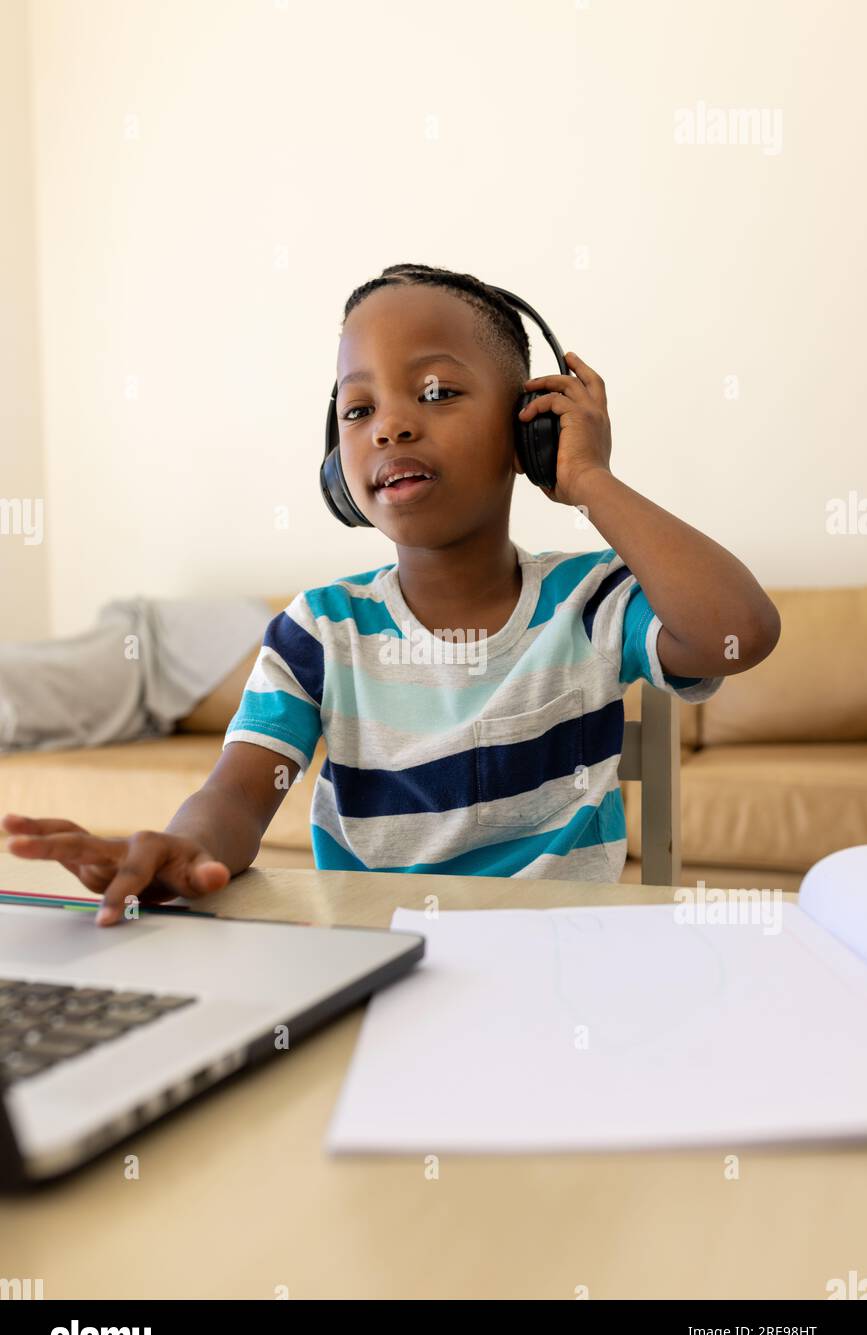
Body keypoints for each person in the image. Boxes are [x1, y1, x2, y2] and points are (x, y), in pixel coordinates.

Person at [2, 263, 780, 923]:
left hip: (560, 966)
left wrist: (589, 481)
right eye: (358, 408)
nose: (390, 427)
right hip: (381, 961)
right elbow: (237, 799)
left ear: (527, 432)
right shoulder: (318, 632)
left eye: (436, 392)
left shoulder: (590, 602)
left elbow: (736, 631)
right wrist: (186, 847)